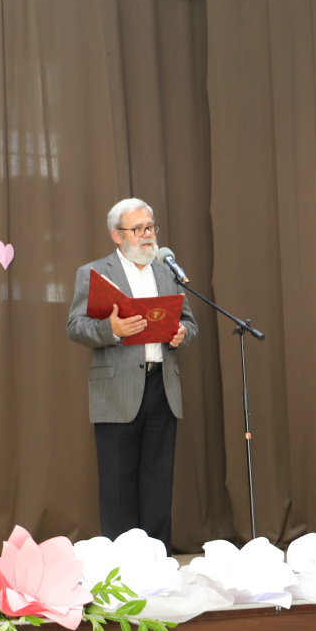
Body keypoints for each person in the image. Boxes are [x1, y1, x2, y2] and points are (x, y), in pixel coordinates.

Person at [67, 198, 197, 553]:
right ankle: (122, 565)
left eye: (150, 226)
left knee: (158, 482)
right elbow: (75, 326)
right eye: (138, 229)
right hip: (116, 390)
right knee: (117, 484)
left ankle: (157, 559)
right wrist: (111, 329)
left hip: (162, 386)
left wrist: (182, 334)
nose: (147, 235)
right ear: (117, 235)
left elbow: (189, 323)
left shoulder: (167, 272)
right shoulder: (94, 272)